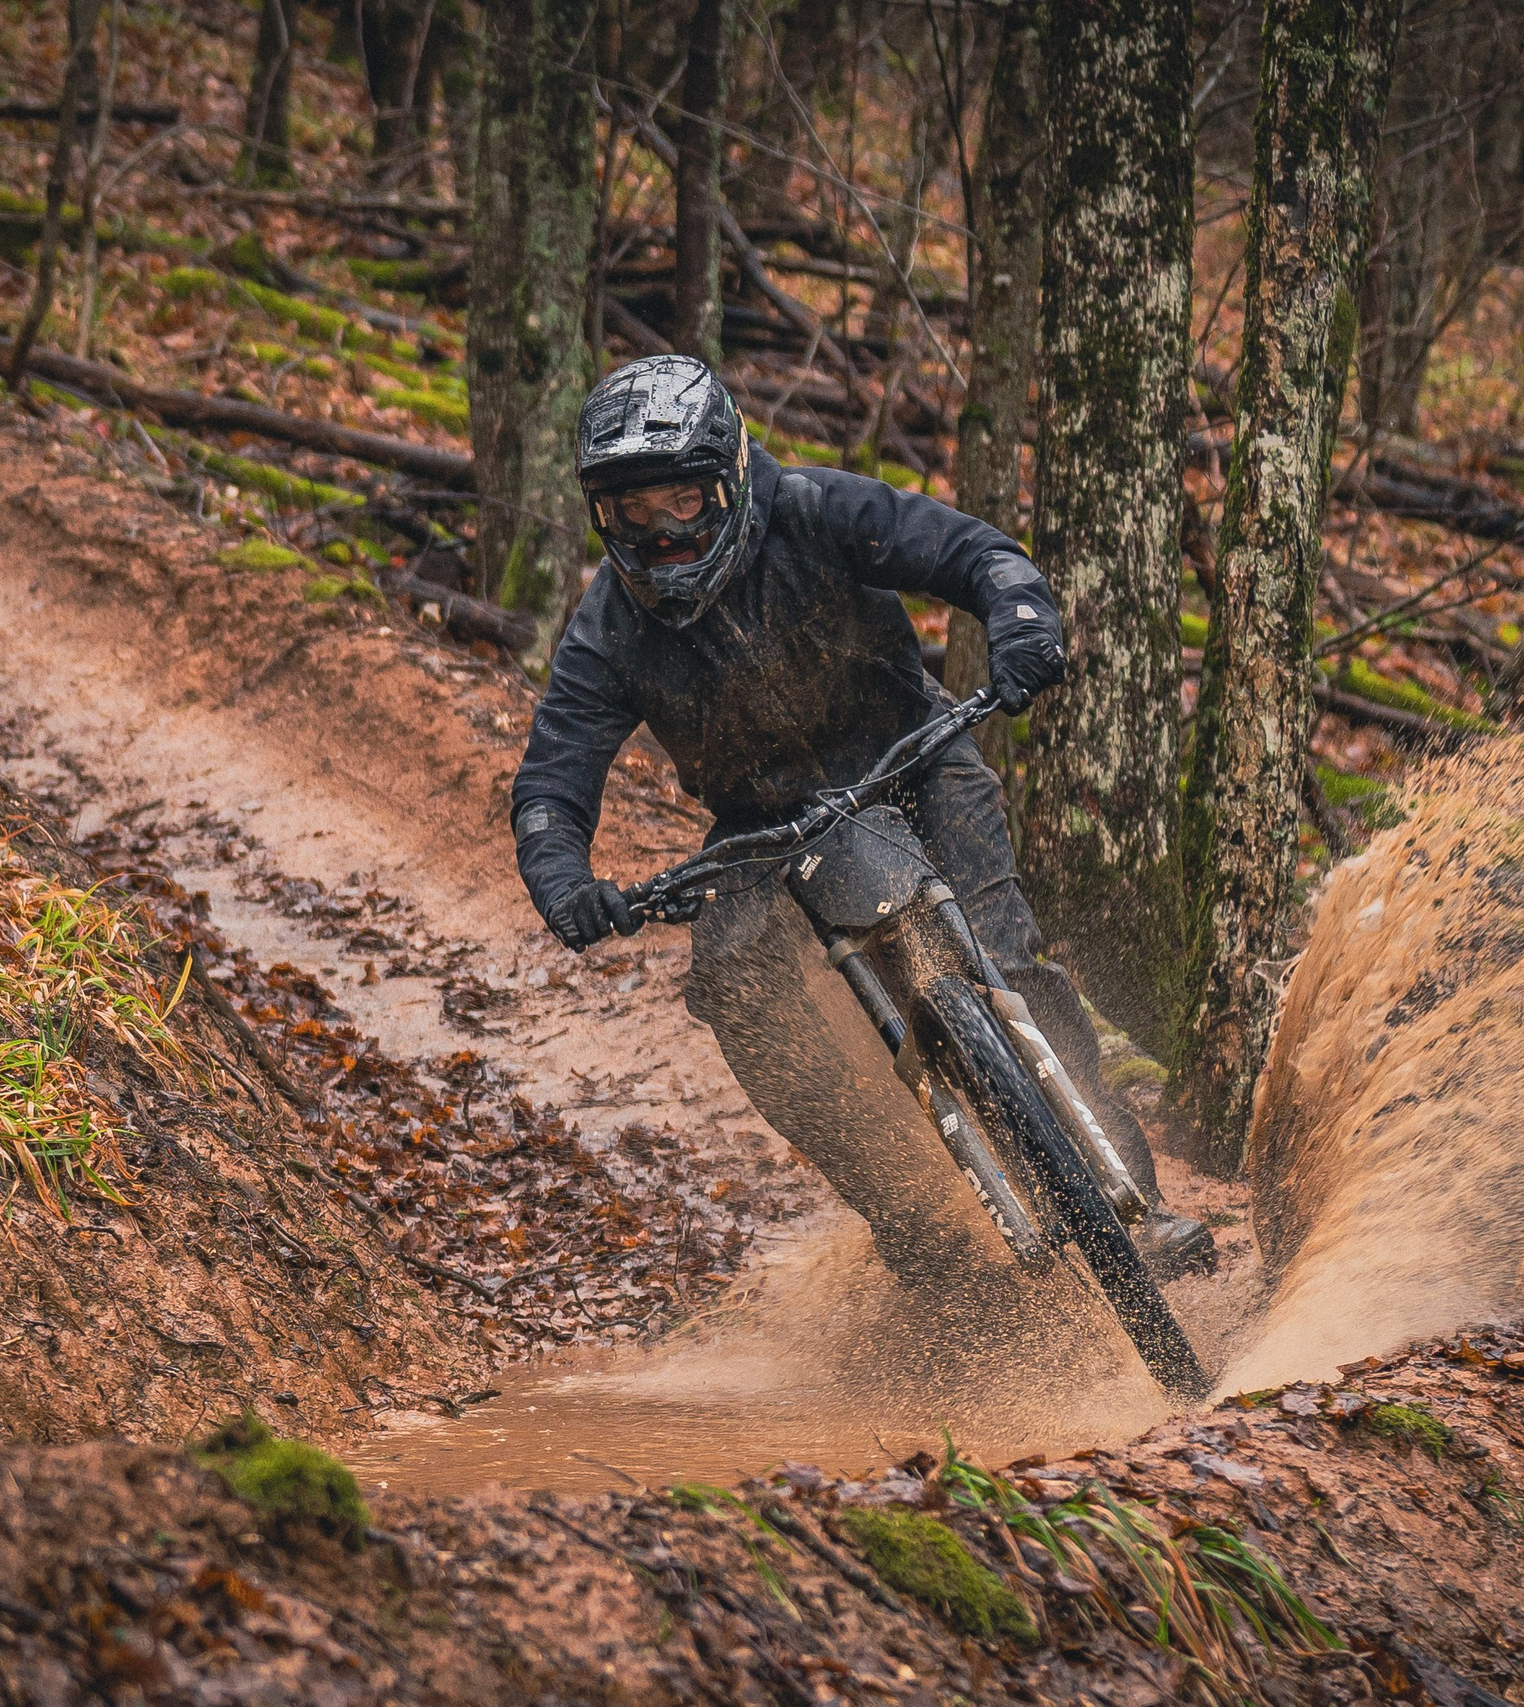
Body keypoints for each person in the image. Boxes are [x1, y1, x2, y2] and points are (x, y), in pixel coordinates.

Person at [508, 354, 1216, 1284]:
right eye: (632, 514)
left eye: (681, 502)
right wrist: (562, 878)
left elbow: (977, 553)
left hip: (914, 753)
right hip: (762, 828)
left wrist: (1022, 622)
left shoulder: (815, 509)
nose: (664, 534)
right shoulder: (608, 626)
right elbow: (550, 786)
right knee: (732, 986)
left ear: (728, 479)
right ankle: (912, 1220)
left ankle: (1136, 1204)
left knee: (1010, 962)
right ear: (603, 516)